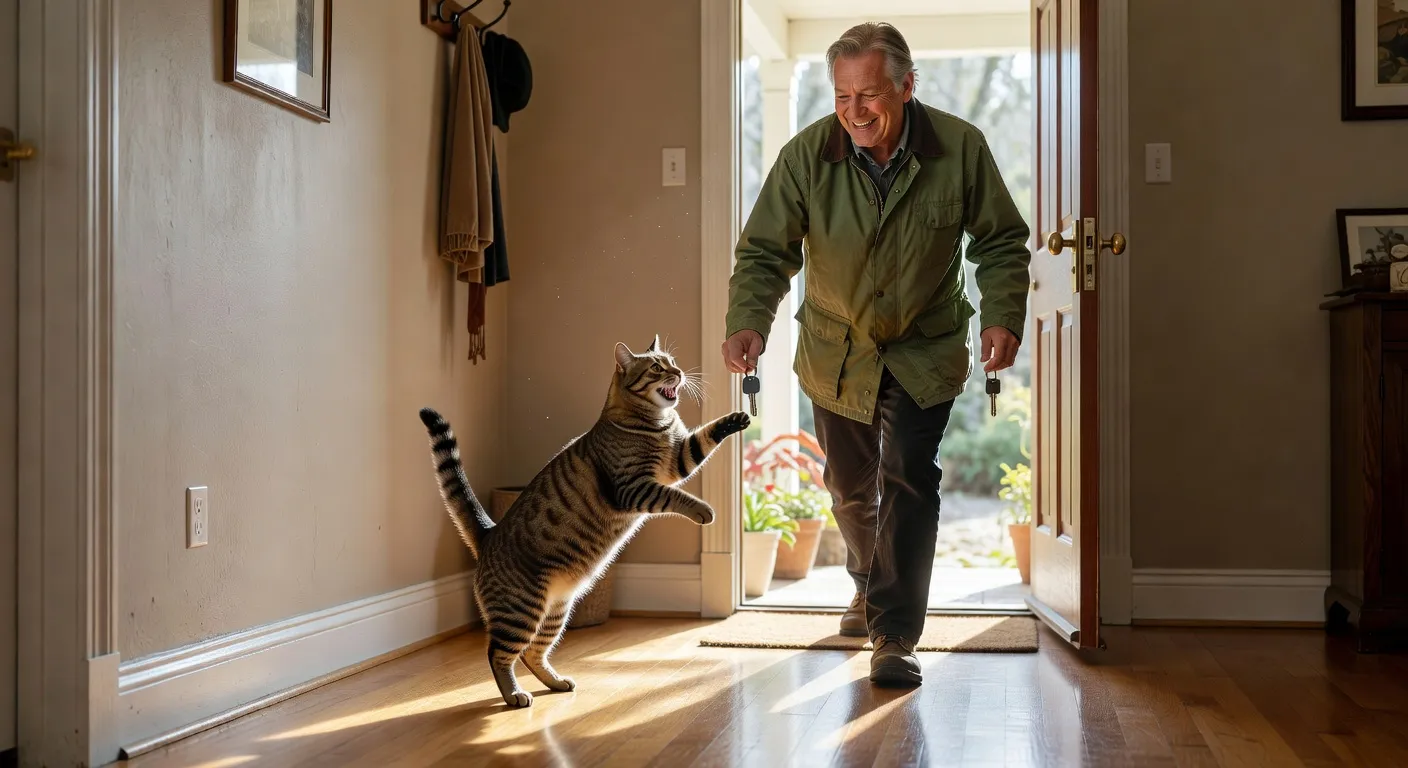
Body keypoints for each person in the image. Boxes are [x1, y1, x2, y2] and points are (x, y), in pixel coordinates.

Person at [721, 22, 1031, 687]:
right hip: (837, 351)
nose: (855, 111)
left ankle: (894, 633)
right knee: (848, 486)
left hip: (925, 347)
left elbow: (1001, 241)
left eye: (869, 95)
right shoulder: (807, 157)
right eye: (842, 96)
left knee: (910, 477)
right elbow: (765, 252)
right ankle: (866, 582)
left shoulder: (961, 148)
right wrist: (749, 321)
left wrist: (1003, 315)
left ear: (907, 85)